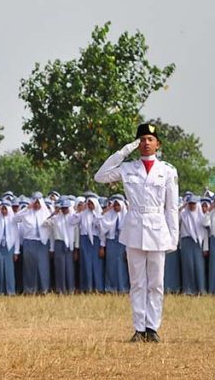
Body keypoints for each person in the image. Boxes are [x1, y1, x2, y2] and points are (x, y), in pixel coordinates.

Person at [94, 122, 179, 343]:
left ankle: (153, 327)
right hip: (134, 229)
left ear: (158, 143)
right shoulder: (128, 168)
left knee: (156, 283)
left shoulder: (168, 171)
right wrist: (124, 150)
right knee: (138, 283)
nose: (145, 143)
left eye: (150, 139)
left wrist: (173, 238)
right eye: (141, 140)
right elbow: (100, 176)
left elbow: (171, 207)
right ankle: (139, 328)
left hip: (159, 230)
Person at [178, 193, 206, 295]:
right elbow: (176, 218)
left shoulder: (200, 215)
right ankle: (189, 290)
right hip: (186, 242)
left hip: (198, 243)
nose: (192, 206)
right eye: (190, 204)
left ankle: (201, 289)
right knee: (188, 266)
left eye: (194, 204)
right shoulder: (183, 214)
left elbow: (206, 224)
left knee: (199, 266)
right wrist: (183, 206)